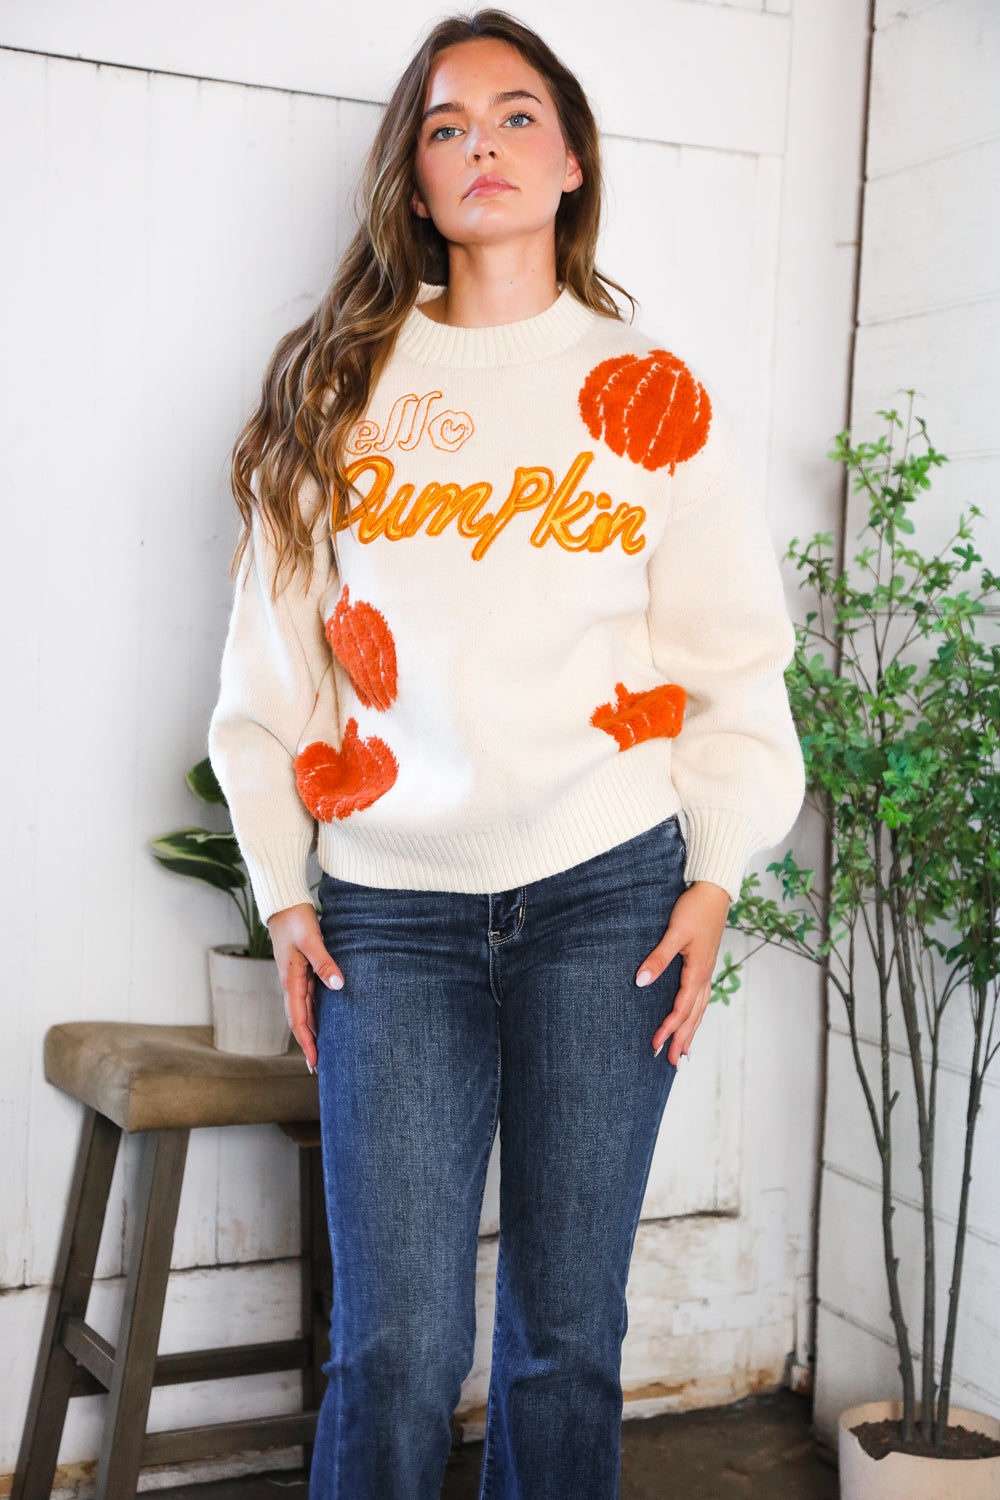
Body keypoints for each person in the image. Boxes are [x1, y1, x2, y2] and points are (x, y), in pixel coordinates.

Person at [208, 9, 805, 1497]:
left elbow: (733, 662)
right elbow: (269, 675)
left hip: (609, 898)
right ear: (414, 179)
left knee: (565, 1341)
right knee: (395, 1346)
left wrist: (716, 875)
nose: (483, 144)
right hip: (389, 916)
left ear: (573, 158)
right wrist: (287, 890)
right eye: (447, 125)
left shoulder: (653, 396)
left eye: (517, 114)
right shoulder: (342, 390)